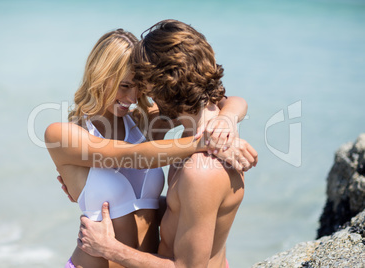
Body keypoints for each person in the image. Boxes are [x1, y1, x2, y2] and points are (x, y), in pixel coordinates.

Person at [45, 28, 257, 268]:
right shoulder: (63, 134)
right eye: (124, 86)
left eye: (140, 87)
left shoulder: (144, 121)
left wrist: (225, 122)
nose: (133, 97)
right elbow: (130, 156)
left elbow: (220, 100)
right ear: (100, 76)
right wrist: (207, 142)